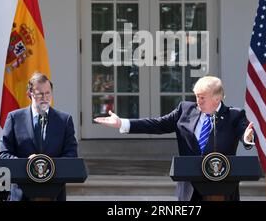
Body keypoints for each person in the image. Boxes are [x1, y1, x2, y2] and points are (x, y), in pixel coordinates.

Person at [94, 75, 255, 201]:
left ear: (217, 98)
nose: (197, 101)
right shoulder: (185, 110)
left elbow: (244, 133)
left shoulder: (234, 115)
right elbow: (158, 124)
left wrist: (247, 138)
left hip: (222, 189)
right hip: (189, 189)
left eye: (202, 97)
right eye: (196, 96)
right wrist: (122, 123)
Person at [0, 72, 78, 201]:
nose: (45, 98)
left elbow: (71, 154)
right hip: (21, 194)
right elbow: (4, 154)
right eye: (40, 94)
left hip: (54, 194)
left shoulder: (64, 120)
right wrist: (28, 163)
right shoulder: (14, 118)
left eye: (48, 93)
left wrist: (48, 164)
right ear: (29, 94)